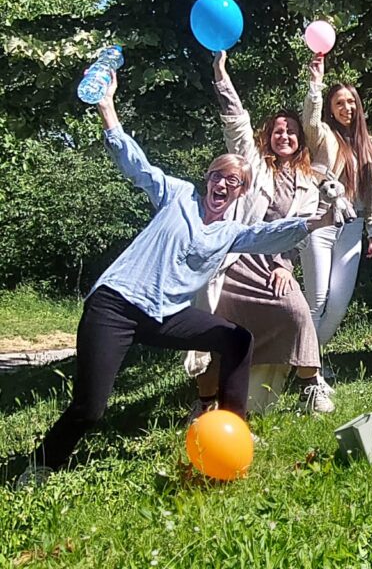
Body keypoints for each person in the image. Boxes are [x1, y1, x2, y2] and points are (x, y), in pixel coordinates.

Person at [22, 76, 334, 484]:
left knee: (236, 340)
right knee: (91, 407)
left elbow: (269, 234)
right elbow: (137, 166)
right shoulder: (178, 195)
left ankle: (234, 428)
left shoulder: (229, 233)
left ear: (241, 192)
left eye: (233, 181)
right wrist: (107, 108)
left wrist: (316, 222)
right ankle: (41, 463)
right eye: (218, 176)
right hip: (115, 305)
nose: (223, 184)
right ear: (208, 178)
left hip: (164, 314)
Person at [189, 51, 332, 416]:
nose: (285, 136)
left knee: (296, 311)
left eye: (291, 131)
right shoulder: (253, 166)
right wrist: (220, 73)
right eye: (278, 131)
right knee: (213, 330)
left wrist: (285, 265)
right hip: (233, 261)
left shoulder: (308, 181)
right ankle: (205, 403)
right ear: (268, 137)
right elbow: (236, 122)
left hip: (271, 264)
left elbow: (299, 232)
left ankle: (311, 386)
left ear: (300, 140)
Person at [301, 54, 372, 348]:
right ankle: (307, 365)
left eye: (351, 102)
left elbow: (371, 194)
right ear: (331, 110)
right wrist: (316, 84)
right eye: (339, 103)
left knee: (338, 304)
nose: (346, 108)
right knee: (317, 300)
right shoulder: (324, 135)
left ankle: (310, 359)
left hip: (353, 227)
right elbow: (310, 122)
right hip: (321, 222)